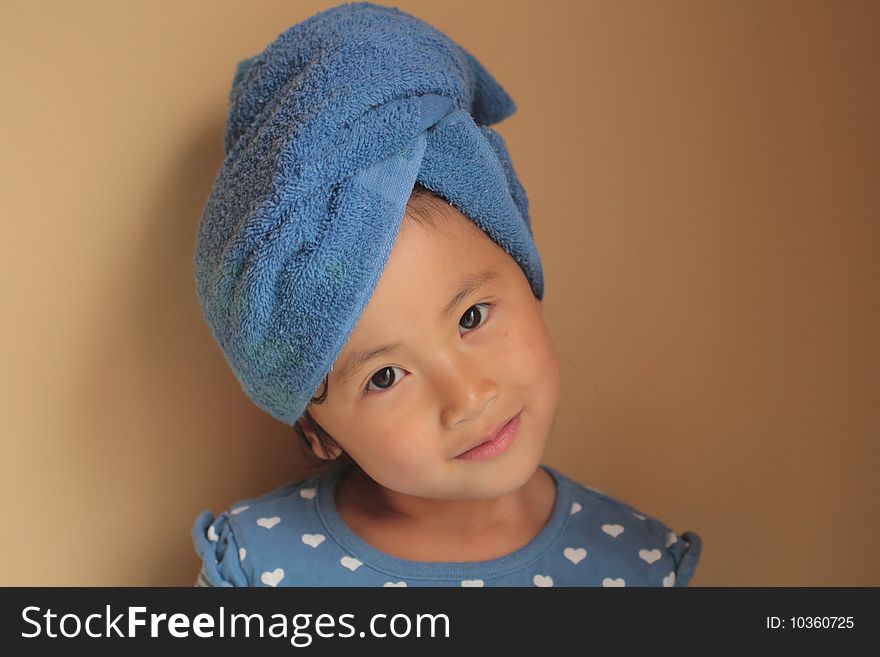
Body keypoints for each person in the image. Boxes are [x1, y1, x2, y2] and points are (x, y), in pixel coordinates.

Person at [191, 2, 701, 587]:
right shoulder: (259, 568)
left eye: (473, 316)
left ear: (525, 273)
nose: (467, 398)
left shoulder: (637, 566)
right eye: (384, 377)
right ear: (319, 432)